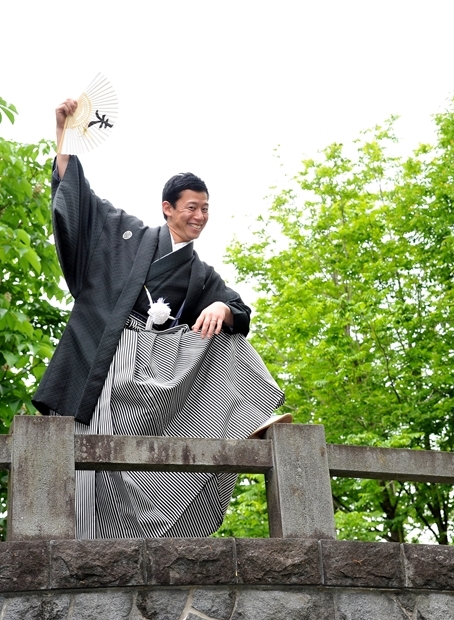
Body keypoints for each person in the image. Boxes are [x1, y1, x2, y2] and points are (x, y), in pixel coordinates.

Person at [32, 99, 290, 539]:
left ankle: (251, 413)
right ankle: (92, 544)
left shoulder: (200, 273)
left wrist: (222, 307)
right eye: (191, 207)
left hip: (159, 378)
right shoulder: (125, 232)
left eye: (205, 208)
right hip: (111, 362)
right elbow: (81, 202)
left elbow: (239, 308)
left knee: (229, 337)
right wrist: (65, 139)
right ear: (167, 207)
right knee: (96, 469)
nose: (200, 216)